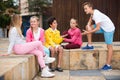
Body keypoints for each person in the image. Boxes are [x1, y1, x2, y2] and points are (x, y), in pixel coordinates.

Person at [82, 2, 115, 70]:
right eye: (84, 9)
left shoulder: (96, 15)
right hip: (103, 27)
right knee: (88, 27)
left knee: (109, 46)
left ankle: (108, 65)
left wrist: (87, 32)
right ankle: (90, 45)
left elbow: (97, 28)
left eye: (86, 9)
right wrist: (88, 24)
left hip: (108, 29)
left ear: (90, 8)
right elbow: (91, 17)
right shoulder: (94, 12)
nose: (85, 10)